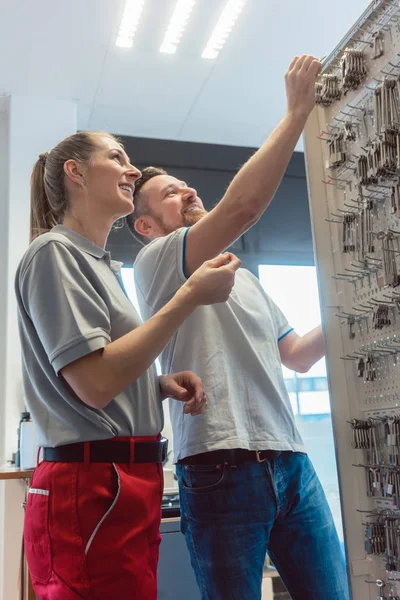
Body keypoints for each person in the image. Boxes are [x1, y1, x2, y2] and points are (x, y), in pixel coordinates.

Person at [128, 55, 350, 600]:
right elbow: (242, 208)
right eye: (171, 194)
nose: (188, 193)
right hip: (218, 466)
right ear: (146, 225)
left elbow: (297, 355)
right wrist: (299, 110)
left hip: (292, 463)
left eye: (186, 185)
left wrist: (352, 304)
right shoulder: (156, 261)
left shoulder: (244, 278)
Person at [14, 130, 241, 600]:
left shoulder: (98, 264)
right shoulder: (54, 253)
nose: (133, 171)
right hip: (92, 486)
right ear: (75, 172)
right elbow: (94, 385)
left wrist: (154, 386)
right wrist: (189, 296)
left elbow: (94, 374)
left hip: (124, 481)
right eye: (117, 158)